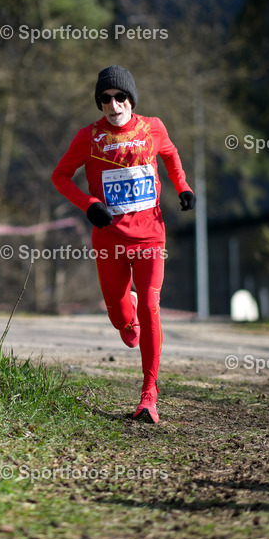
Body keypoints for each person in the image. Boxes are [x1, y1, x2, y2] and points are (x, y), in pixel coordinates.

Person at [52, 65, 194, 423]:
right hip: (110, 240)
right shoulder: (89, 137)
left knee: (150, 306)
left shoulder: (153, 128)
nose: (113, 105)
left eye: (119, 97)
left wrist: (183, 188)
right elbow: (60, 176)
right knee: (123, 322)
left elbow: (172, 156)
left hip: (150, 236)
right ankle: (124, 315)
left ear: (131, 99)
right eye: (105, 99)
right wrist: (89, 204)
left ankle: (149, 395)